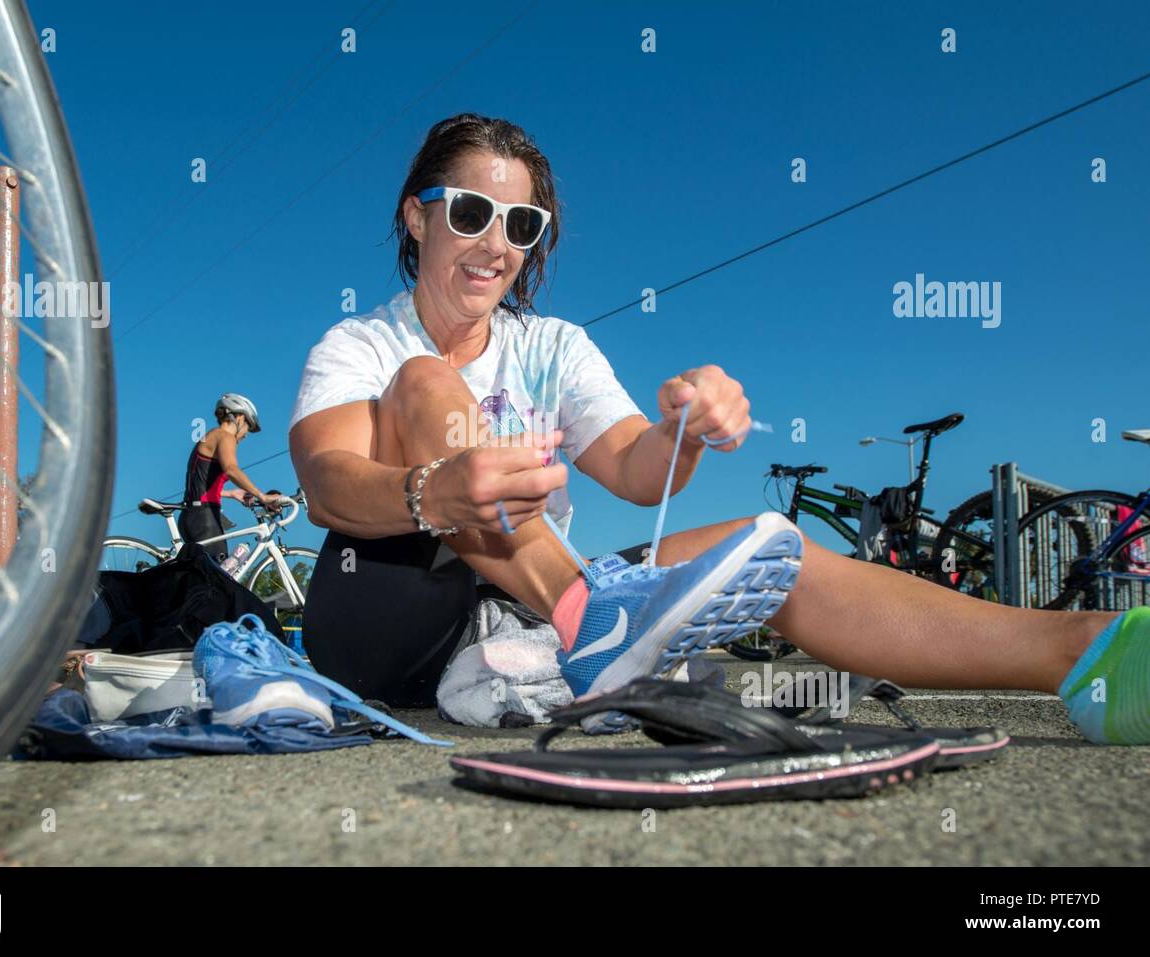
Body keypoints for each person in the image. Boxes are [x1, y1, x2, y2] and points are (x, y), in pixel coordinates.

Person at [288, 113, 1147, 745]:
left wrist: (687, 427)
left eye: (523, 226)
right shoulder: (364, 343)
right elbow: (325, 482)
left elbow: (633, 467)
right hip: (388, 612)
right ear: (416, 216)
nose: (496, 245)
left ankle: (1085, 652)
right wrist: (433, 490)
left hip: (525, 614)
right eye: (471, 213)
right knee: (422, 381)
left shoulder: (553, 346)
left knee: (768, 547)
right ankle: (592, 622)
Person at [181, 393, 282, 562]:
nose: (246, 435)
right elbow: (231, 470)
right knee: (217, 580)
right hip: (204, 518)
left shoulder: (211, 436)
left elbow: (201, 483)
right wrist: (262, 496)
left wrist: (231, 493)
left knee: (201, 580)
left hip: (193, 515)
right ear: (240, 418)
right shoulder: (224, 436)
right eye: (248, 428)